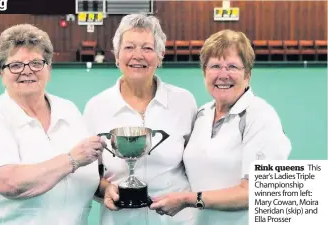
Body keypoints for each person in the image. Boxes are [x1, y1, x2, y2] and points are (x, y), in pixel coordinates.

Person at [0, 24, 105, 225]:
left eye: (36, 63)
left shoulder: (68, 110)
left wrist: (106, 189)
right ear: (1, 73)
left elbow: (82, 177)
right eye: (16, 65)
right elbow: (10, 183)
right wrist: (72, 159)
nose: (27, 71)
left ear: (49, 68)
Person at [150, 29, 292, 224]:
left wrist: (189, 199)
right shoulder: (202, 114)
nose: (223, 75)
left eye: (232, 66)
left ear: (247, 74)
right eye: (215, 66)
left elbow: (257, 192)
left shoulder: (261, 116)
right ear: (204, 72)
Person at [83, 14, 198, 225]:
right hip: (119, 220)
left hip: (178, 221)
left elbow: (198, 165)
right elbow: (87, 175)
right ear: (117, 56)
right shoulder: (96, 107)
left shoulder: (184, 102)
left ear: (160, 55)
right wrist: (105, 190)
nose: (138, 55)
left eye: (147, 48)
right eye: (129, 47)